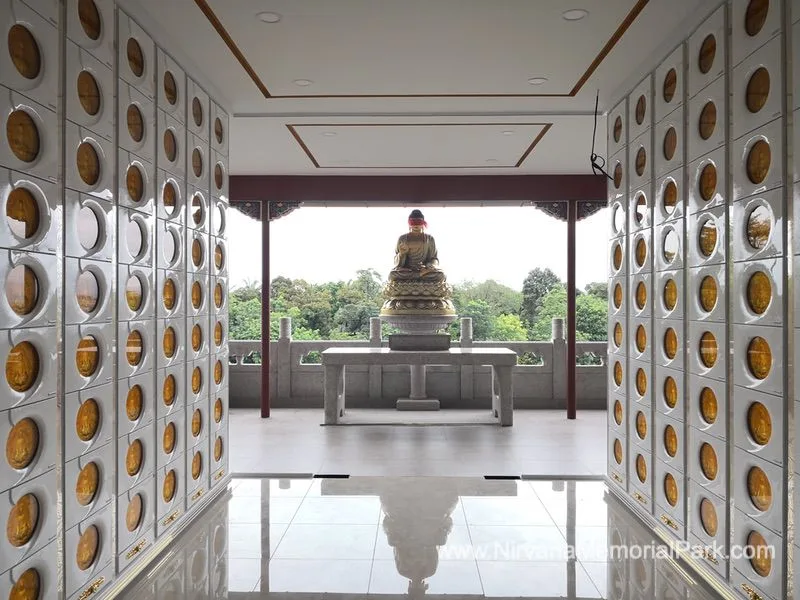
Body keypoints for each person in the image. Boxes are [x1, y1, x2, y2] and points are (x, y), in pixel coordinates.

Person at [388, 210, 446, 282]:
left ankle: (419, 274)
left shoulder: (429, 239)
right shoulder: (402, 238)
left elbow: (434, 258)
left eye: (418, 222)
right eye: (413, 222)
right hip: (407, 270)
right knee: (392, 274)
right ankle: (419, 275)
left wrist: (429, 267)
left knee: (441, 275)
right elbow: (396, 262)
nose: (416, 225)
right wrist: (402, 254)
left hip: (425, 270)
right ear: (409, 223)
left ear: (423, 223)